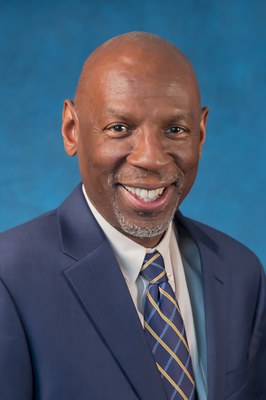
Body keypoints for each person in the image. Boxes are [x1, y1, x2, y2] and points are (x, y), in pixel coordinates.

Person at [0, 32, 265, 400]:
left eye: (175, 130)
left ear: (200, 134)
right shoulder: (9, 277)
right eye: (120, 128)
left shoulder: (242, 272)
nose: (151, 158)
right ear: (71, 130)